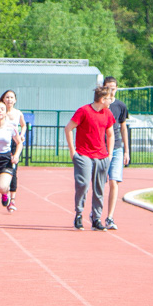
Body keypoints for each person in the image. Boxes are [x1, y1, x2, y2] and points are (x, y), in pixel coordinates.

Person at [64, 86, 115, 231]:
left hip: (102, 156)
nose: (111, 100)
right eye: (109, 98)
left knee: (99, 188)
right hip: (84, 154)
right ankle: (79, 214)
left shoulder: (108, 113)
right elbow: (68, 128)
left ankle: (96, 218)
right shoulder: (84, 111)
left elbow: (110, 134)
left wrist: (109, 154)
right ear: (103, 99)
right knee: (83, 184)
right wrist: (72, 151)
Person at [103, 77, 130, 230]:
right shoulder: (100, 105)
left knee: (114, 181)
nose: (111, 90)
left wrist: (126, 150)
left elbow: (123, 128)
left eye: (113, 88)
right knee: (99, 182)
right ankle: (96, 213)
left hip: (117, 147)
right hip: (101, 147)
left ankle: (110, 217)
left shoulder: (120, 106)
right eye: (108, 87)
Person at [0, 90, 27, 212]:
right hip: (2, 143)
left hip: (14, 143)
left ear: (15, 100)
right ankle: (4, 192)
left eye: (11, 97)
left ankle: (13, 199)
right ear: (3, 99)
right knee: (2, 170)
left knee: (13, 170)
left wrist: (22, 134)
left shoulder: (18, 113)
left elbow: (24, 125)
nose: (9, 99)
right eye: (7, 97)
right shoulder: (0, 112)